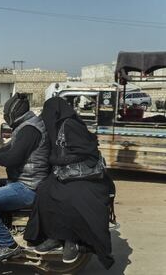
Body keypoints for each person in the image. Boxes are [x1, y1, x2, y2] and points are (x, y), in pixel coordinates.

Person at [24, 97, 116, 269]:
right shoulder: (57, 126)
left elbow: (87, 152)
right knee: (44, 191)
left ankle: (72, 240)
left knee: (69, 197)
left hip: (85, 176)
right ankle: (54, 237)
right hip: (67, 173)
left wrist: (59, 160)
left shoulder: (71, 125)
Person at [0, 93, 50, 262]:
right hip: (25, 181)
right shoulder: (26, 126)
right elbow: (8, 149)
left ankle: (8, 245)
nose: (6, 117)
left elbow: (12, 157)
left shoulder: (30, 129)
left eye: (6, 114)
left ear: (13, 113)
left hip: (27, 187)